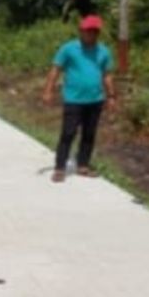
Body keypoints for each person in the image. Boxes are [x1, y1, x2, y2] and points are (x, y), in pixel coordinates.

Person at [42, 14, 116, 182]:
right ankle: (60, 168)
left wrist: (111, 96)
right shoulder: (68, 49)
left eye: (94, 31)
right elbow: (55, 70)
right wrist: (48, 90)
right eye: (87, 30)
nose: (90, 34)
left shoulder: (103, 51)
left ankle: (83, 165)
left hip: (95, 99)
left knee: (89, 134)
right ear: (81, 31)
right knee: (68, 133)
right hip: (73, 99)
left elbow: (107, 75)